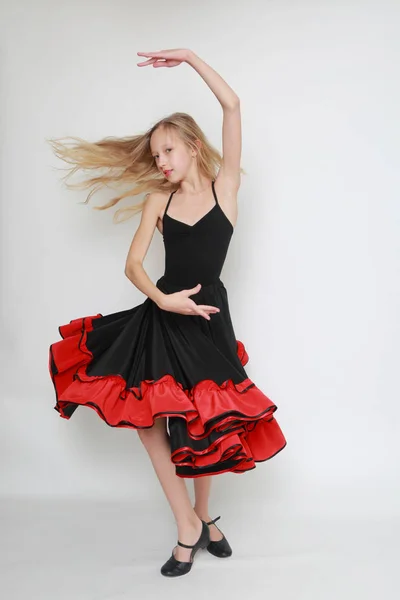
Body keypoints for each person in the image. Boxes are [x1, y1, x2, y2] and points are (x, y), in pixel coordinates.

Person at [48, 48, 287, 577]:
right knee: (151, 425)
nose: (161, 162)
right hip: (164, 315)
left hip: (209, 317)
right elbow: (133, 264)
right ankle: (186, 525)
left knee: (211, 418)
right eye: (156, 156)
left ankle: (204, 518)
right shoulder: (159, 201)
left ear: (193, 147)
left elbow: (232, 106)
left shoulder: (227, 189)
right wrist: (162, 299)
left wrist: (189, 58)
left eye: (168, 151)